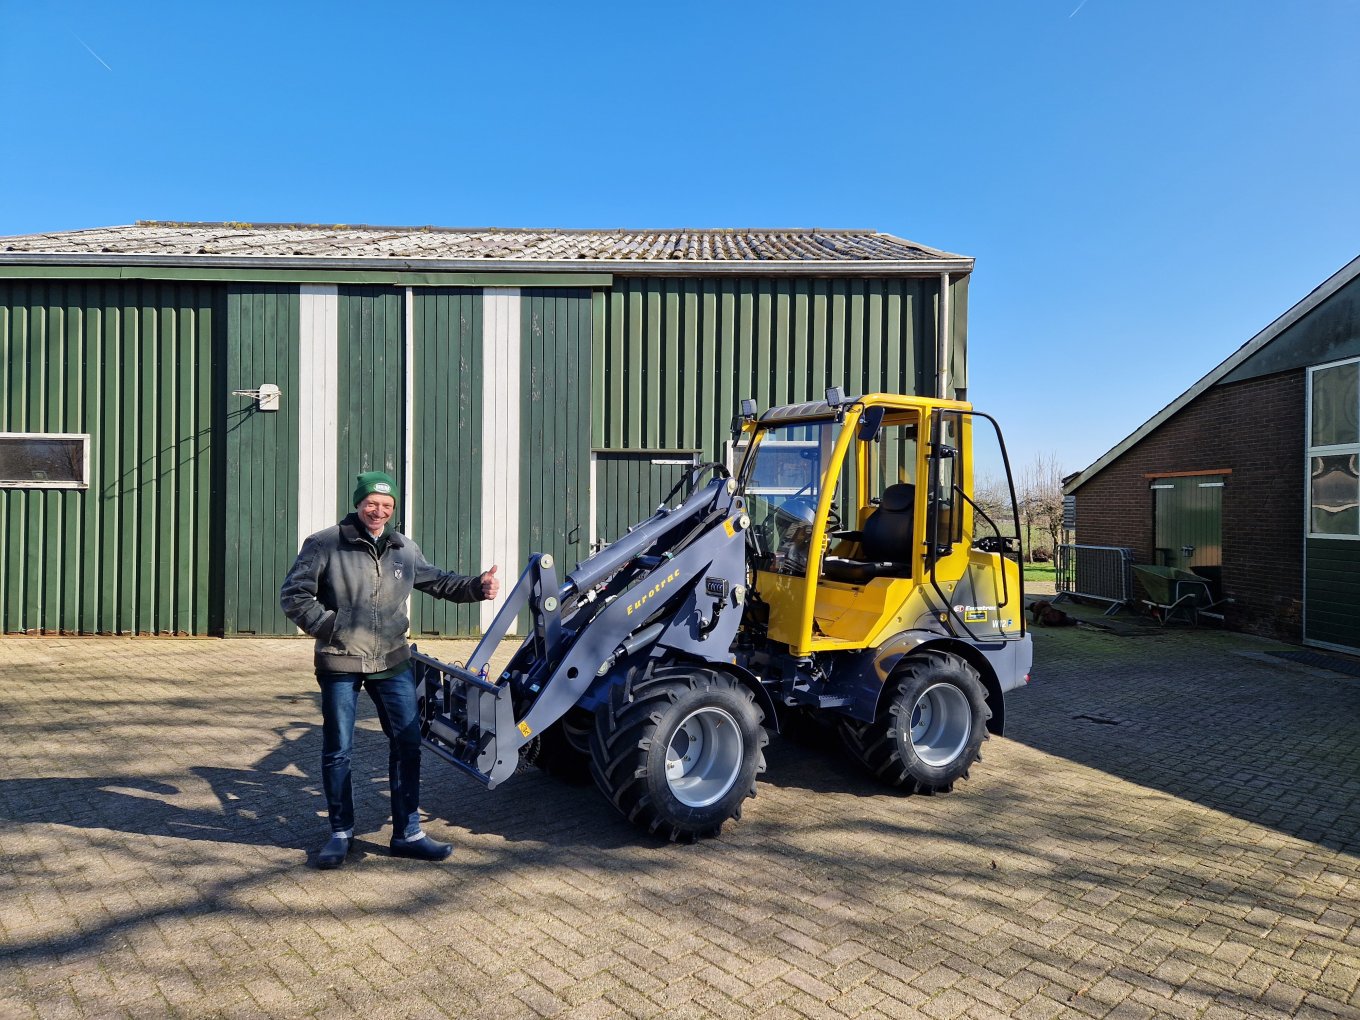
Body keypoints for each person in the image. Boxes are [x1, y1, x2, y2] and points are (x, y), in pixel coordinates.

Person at [280, 470, 500, 869]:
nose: (378, 511)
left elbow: (439, 582)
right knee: (338, 750)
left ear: (393, 508)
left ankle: (408, 833)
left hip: (392, 661)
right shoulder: (325, 543)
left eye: (386, 505)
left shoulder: (403, 548)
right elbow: (294, 595)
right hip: (341, 661)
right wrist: (333, 627)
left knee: (408, 743)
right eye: (371, 503)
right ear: (358, 503)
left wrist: (476, 587)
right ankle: (341, 833)